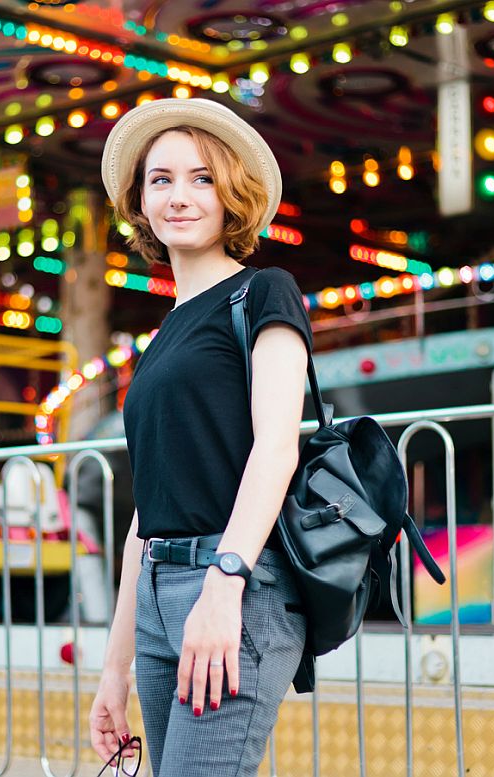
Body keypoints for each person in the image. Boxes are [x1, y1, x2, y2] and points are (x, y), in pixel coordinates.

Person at [89, 98, 312, 776]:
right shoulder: (160, 338)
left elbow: (277, 444)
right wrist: (115, 666)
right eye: (160, 179)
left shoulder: (264, 292)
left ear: (231, 195)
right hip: (159, 588)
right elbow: (145, 515)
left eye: (201, 178)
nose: (179, 196)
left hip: (233, 581)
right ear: (141, 201)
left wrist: (225, 584)